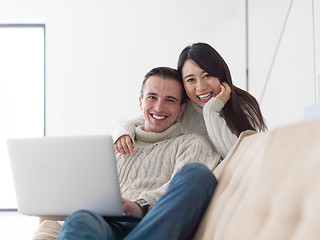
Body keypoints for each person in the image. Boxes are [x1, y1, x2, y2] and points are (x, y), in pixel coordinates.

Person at [57, 67, 220, 240]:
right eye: (152, 97)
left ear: (181, 109)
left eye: (170, 100)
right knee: (79, 219)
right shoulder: (113, 145)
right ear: (141, 102)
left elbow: (186, 191)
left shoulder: (191, 145)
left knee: (198, 174)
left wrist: (140, 205)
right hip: (105, 227)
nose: (159, 107)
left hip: (153, 224)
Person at [114, 42, 267, 159]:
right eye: (191, 80)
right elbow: (143, 120)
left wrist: (210, 111)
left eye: (207, 75)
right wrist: (122, 133)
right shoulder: (183, 108)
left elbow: (235, 158)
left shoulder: (243, 106)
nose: (201, 87)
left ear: (221, 73)